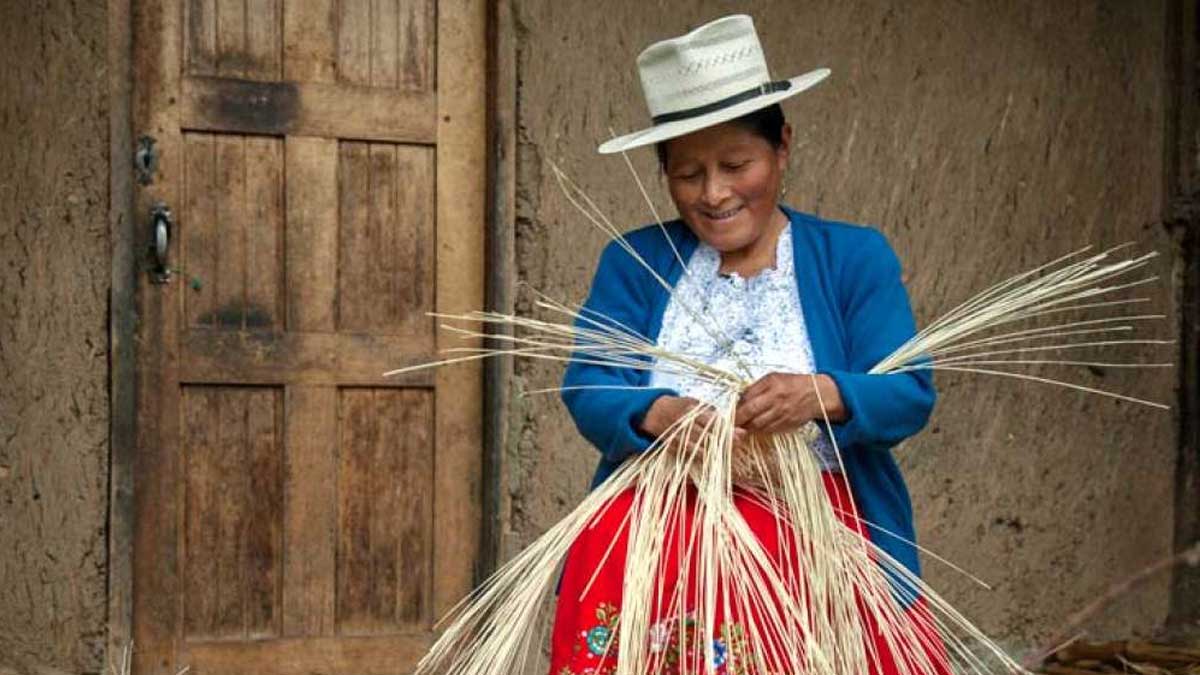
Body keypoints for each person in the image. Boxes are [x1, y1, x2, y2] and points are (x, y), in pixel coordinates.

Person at [549, 14, 945, 675]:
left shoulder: (853, 258)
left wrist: (819, 394)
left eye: (736, 165)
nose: (714, 194)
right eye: (687, 173)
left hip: (816, 546)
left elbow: (909, 394)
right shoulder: (634, 261)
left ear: (782, 146)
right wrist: (658, 414)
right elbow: (589, 386)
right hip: (654, 545)